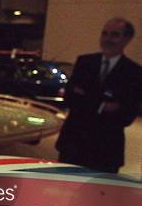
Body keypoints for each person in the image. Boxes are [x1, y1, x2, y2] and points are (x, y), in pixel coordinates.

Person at [56, 18, 141, 173]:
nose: (107, 39)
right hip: (73, 144)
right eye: (104, 33)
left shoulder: (134, 73)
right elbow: (69, 98)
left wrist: (85, 99)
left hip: (105, 150)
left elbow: (126, 116)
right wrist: (103, 106)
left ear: (127, 39)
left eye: (115, 35)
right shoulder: (84, 62)